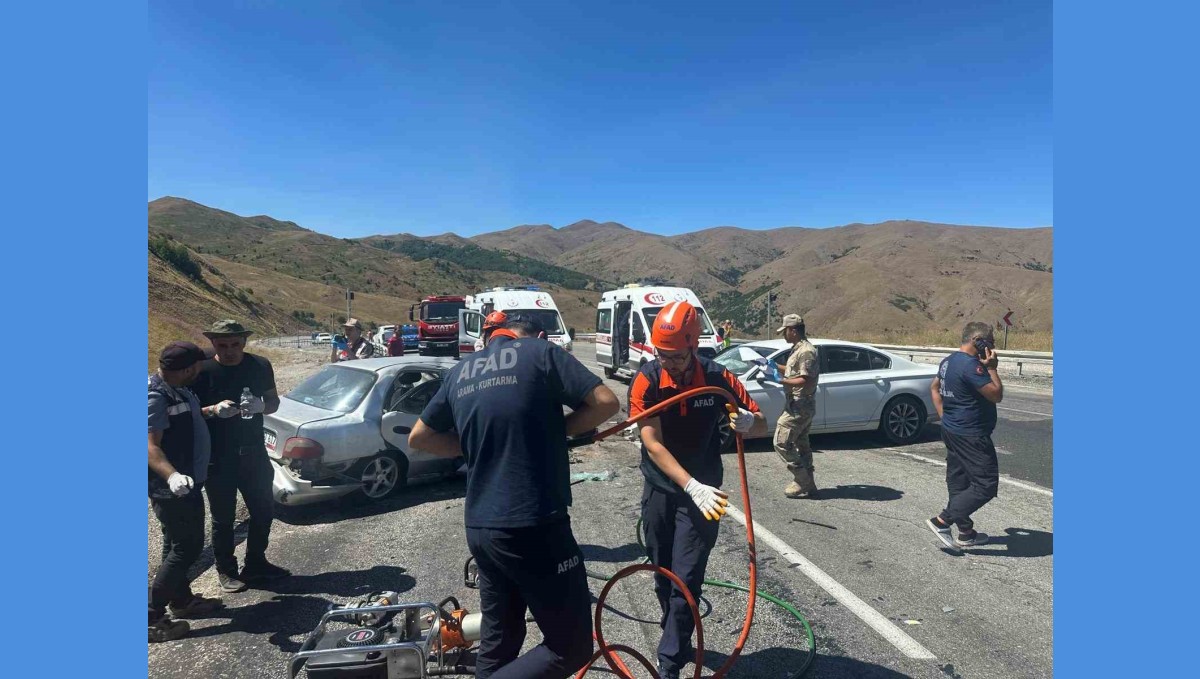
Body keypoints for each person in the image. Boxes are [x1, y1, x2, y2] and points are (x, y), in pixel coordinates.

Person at [409, 314, 620, 679]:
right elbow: (605, 403)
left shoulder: (461, 371)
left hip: (481, 527)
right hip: (533, 524)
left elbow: (420, 438)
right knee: (569, 648)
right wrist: (557, 432)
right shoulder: (540, 352)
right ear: (534, 335)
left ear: (488, 338)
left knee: (501, 636)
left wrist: (474, 446)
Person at [628, 301, 763, 679]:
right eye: (661, 354)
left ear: (693, 344)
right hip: (662, 488)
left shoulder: (719, 377)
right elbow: (652, 443)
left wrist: (750, 422)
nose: (668, 362)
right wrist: (688, 485)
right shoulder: (648, 380)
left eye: (675, 355)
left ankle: (668, 662)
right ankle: (678, 635)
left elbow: (759, 422)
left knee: (687, 578)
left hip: (707, 491)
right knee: (663, 572)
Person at [193, 320, 291, 593]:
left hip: (254, 454)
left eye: (235, 344)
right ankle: (226, 570)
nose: (229, 351)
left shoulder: (259, 365)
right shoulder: (202, 370)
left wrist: (261, 406)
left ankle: (256, 563)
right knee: (223, 518)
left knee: (263, 510)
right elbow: (188, 413)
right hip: (217, 457)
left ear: (244, 342)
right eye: (222, 345)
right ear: (213, 343)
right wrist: (212, 410)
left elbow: (274, 403)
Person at [148, 341, 226, 642]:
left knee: (175, 544)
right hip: (173, 489)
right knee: (188, 547)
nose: (201, 369)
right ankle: (151, 615)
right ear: (188, 368)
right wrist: (172, 477)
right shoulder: (156, 397)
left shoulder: (177, 390)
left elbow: (186, 419)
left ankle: (180, 601)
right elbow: (149, 445)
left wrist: (213, 411)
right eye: (199, 365)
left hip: (187, 483)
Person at [926, 322, 1004, 550]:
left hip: (952, 431)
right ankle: (942, 521)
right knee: (986, 484)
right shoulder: (972, 367)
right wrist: (992, 368)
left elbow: (934, 388)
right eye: (990, 342)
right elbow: (996, 395)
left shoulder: (948, 361)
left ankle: (966, 533)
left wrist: (946, 418)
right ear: (979, 342)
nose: (992, 346)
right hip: (971, 435)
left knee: (958, 480)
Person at [773, 314, 821, 499]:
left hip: (800, 405)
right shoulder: (798, 349)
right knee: (802, 444)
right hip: (796, 403)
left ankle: (802, 480)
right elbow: (795, 371)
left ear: (793, 330)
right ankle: (810, 482)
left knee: (781, 441)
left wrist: (782, 381)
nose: (783, 335)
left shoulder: (807, 351)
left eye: (785, 331)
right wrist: (774, 366)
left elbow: (804, 379)